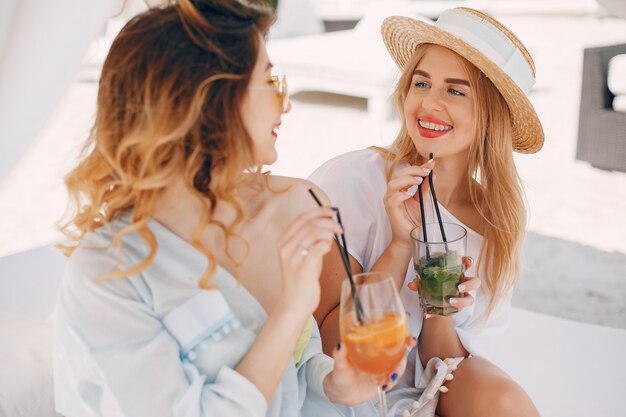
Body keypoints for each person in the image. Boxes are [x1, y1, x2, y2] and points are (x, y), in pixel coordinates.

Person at [52, 1, 410, 416]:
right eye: (269, 82)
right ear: (209, 100)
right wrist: (292, 307)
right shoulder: (106, 273)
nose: (286, 104)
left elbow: (295, 365)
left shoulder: (267, 218)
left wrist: (336, 384)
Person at [310, 7, 543, 417]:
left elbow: (441, 370)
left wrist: (440, 311)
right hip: (345, 386)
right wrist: (400, 244)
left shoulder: (495, 223)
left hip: (429, 386)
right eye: (422, 83)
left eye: (456, 91)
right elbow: (331, 345)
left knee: (508, 403)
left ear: (491, 117)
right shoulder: (354, 180)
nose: (428, 103)